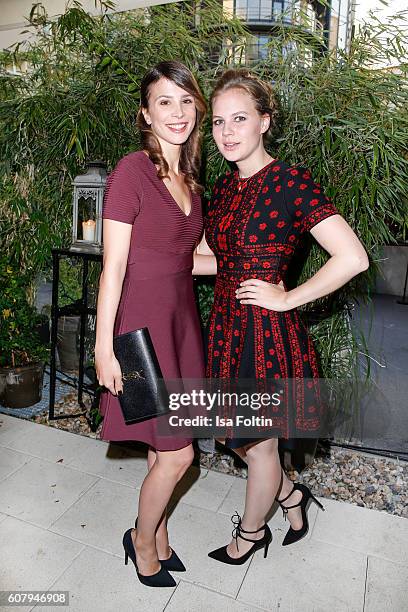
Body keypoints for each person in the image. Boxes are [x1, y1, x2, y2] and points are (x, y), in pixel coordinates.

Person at [194, 68, 369, 564]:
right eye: (219, 123)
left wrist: (288, 298)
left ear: (264, 122)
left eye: (240, 119)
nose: (227, 132)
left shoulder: (291, 181)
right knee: (240, 438)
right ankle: (291, 497)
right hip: (227, 326)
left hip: (267, 334)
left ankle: (251, 535)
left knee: (258, 445)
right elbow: (214, 259)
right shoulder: (225, 189)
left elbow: (352, 257)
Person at [95, 60, 207, 587]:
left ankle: (159, 534)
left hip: (181, 326)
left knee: (164, 447)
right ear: (146, 112)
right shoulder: (132, 171)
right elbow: (112, 266)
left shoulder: (189, 178)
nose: (177, 112)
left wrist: (263, 266)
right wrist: (103, 348)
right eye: (165, 101)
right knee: (179, 453)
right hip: (141, 328)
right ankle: (140, 540)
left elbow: (188, 258)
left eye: (186, 101)